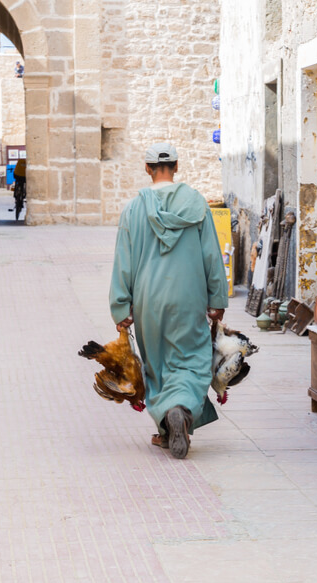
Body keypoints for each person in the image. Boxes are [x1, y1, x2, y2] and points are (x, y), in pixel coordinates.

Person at [109, 142, 229, 460]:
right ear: (176, 167)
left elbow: (124, 260)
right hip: (189, 296)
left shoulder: (133, 210)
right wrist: (217, 299)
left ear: (147, 169)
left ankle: (168, 425)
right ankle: (182, 411)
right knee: (191, 359)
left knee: (157, 366)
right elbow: (211, 256)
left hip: (148, 299)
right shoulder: (197, 205)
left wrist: (121, 306)